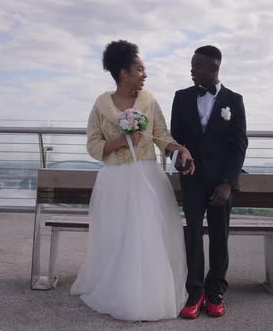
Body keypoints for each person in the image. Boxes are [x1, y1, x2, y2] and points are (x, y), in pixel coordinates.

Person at [71, 40, 195, 321]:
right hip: (115, 179)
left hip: (148, 178)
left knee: (149, 234)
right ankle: (119, 289)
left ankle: (149, 294)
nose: (145, 74)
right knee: (119, 235)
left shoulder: (149, 101)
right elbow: (93, 144)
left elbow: (163, 135)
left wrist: (179, 149)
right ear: (124, 72)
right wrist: (120, 142)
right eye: (140, 69)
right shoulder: (102, 104)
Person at [170, 45, 248, 319]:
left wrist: (228, 183)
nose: (192, 70)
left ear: (214, 68)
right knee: (192, 234)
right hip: (192, 181)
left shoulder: (234, 100)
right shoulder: (180, 97)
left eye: (197, 65)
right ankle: (195, 292)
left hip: (221, 185)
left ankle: (216, 291)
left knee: (219, 237)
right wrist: (179, 157)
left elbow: (239, 145)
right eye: (191, 65)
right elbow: (175, 139)